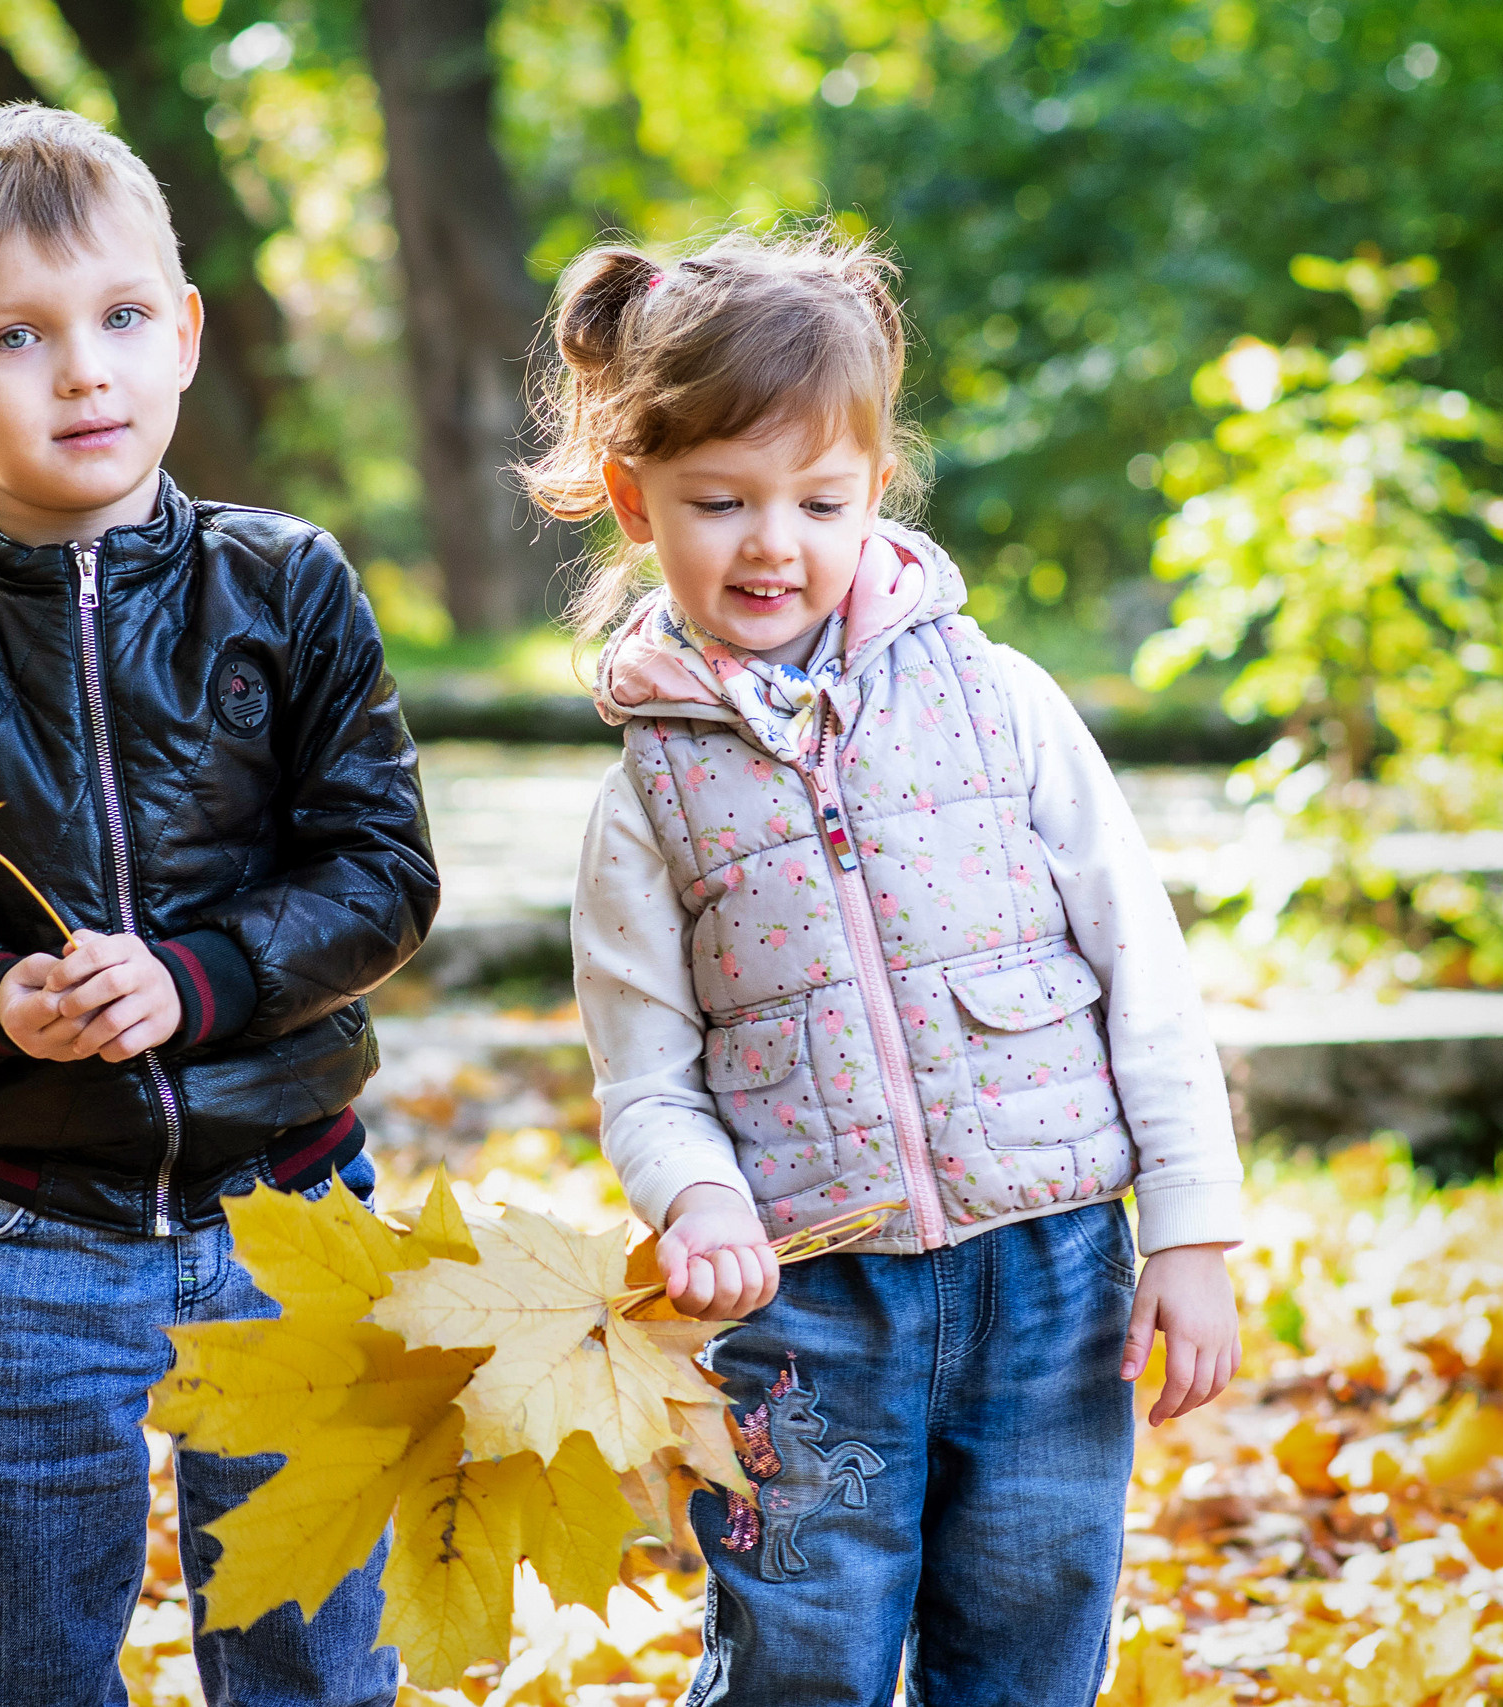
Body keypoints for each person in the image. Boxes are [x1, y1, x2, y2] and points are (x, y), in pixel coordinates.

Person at [528, 229, 1244, 1707]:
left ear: (877, 492)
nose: (772, 543)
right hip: (808, 1301)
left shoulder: (1001, 704)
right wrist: (700, 1199)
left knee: (1035, 1630)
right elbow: (644, 1077)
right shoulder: (646, 802)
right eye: (718, 503)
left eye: (821, 500)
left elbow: (1141, 966)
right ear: (632, 500)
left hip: (1049, 1274)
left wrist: (1189, 1230)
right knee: (801, 1643)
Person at [0, 104, 433, 1707]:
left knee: (310, 1656)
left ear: (185, 337)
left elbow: (382, 867)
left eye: (120, 320)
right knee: (26, 1666)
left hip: (291, 1209)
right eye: (16, 336)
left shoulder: (286, 584)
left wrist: (206, 979)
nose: (82, 369)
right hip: (25, 1231)